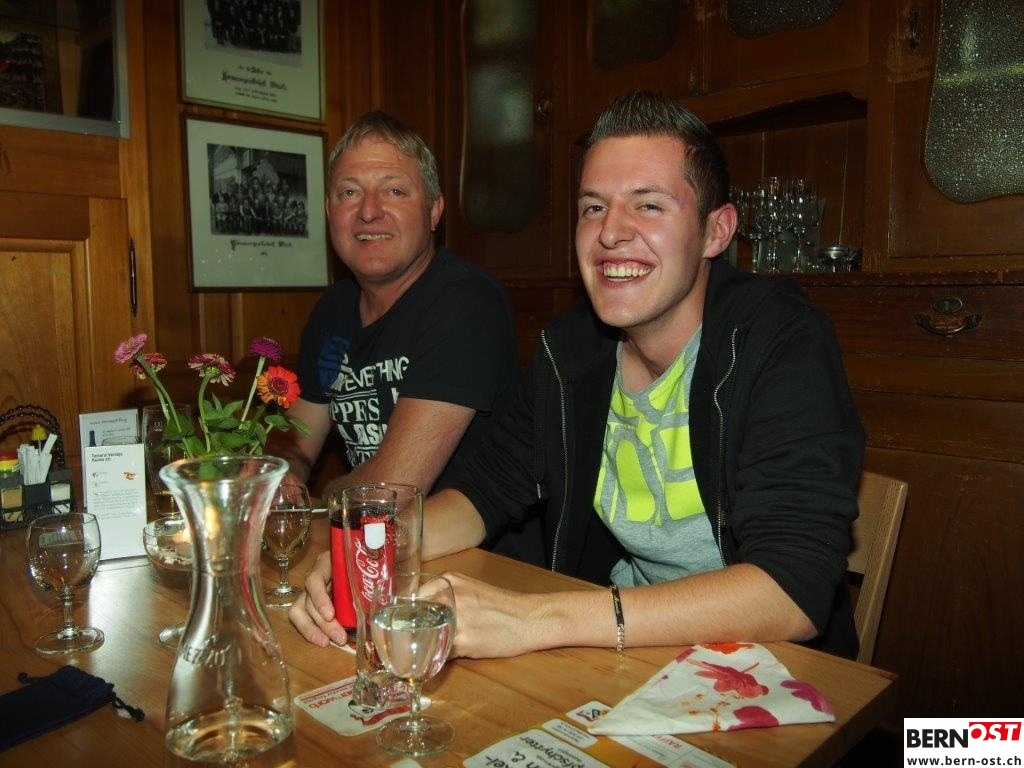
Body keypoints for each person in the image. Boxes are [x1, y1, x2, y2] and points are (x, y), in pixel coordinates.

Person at [289, 91, 865, 661]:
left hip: (772, 669)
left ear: (716, 231)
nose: (611, 232)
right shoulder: (570, 351)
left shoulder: (778, 339)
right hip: (628, 654)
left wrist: (537, 619)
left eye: (648, 205)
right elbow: (481, 496)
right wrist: (363, 552)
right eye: (593, 207)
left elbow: (792, 589)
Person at [268, 111, 528, 533]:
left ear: (434, 211)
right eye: (349, 192)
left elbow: (391, 492)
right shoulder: (333, 312)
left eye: (394, 190)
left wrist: (324, 495)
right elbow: (294, 444)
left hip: (469, 558)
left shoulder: (465, 301)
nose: (369, 212)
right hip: (367, 547)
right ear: (329, 212)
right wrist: (284, 478)